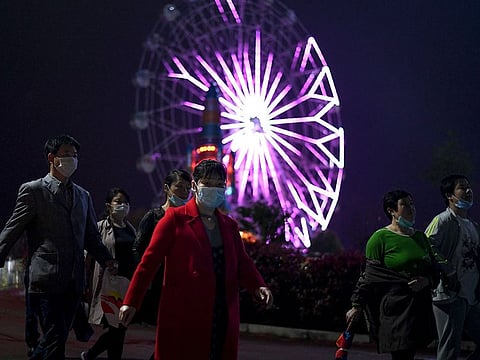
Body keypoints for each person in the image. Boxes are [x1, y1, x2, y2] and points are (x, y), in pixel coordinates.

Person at [119, 159, 273, 360]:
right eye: (207, 183)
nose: (213, 189)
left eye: (219, 185)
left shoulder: (229, 226)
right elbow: (148, 263)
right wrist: (131, 301)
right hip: (184, 311)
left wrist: (258, 286)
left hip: (222, 312)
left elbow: (242, 263)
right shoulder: (174, 219)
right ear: (194, 185)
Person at [0, 134, 117, 359]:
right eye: (66, 155)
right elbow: (12, 229)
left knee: (58, 339)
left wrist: (107, 259)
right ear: (52, 158)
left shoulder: (83, 196)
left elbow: (91, 236)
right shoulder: (33, 190)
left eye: (75, 156)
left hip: (74, 280)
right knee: (55, 335)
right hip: (46, 278)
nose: (72, 160)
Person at [345, 190, 437, 360]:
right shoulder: (380, 238)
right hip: (395, 308)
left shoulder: (421, 238)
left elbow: (433, 270)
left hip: (419, 307)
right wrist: (356, 305)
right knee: (402, 354)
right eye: (405, 205)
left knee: (409, 353)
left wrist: (426, 281)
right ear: (391, 210)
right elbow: (369, 276)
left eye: (412, 204)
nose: (411, 209)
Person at [132, 169, 192, 360]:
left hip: (184, 282)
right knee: (170, 331)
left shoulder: (191, 218)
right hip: (160, 283)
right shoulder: (154, 216)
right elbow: (138, 248)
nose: (184, 193)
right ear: (167, 188)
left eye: (188, 188)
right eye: (179, 187)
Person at [425, 174, 480, 360]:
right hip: (450, 295)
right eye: (462, 187)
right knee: (449, 349)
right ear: (450, 196)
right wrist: (448, 270)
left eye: (468, 186)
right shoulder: (442, 221)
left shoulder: (473, 226)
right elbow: (427, 246)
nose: (468, 191)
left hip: (471, 295)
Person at [81, 188, 137, 360]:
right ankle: (91, 355)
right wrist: (84, 282)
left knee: (119, 327)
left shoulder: (130, 229)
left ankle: (90, 355)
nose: (123, 206)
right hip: (108, 284)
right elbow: (87, 255)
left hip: (126, 284)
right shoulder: (99, 228)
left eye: (126, 203)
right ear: (108, 205)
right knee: (117, 327)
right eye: (118, 202)